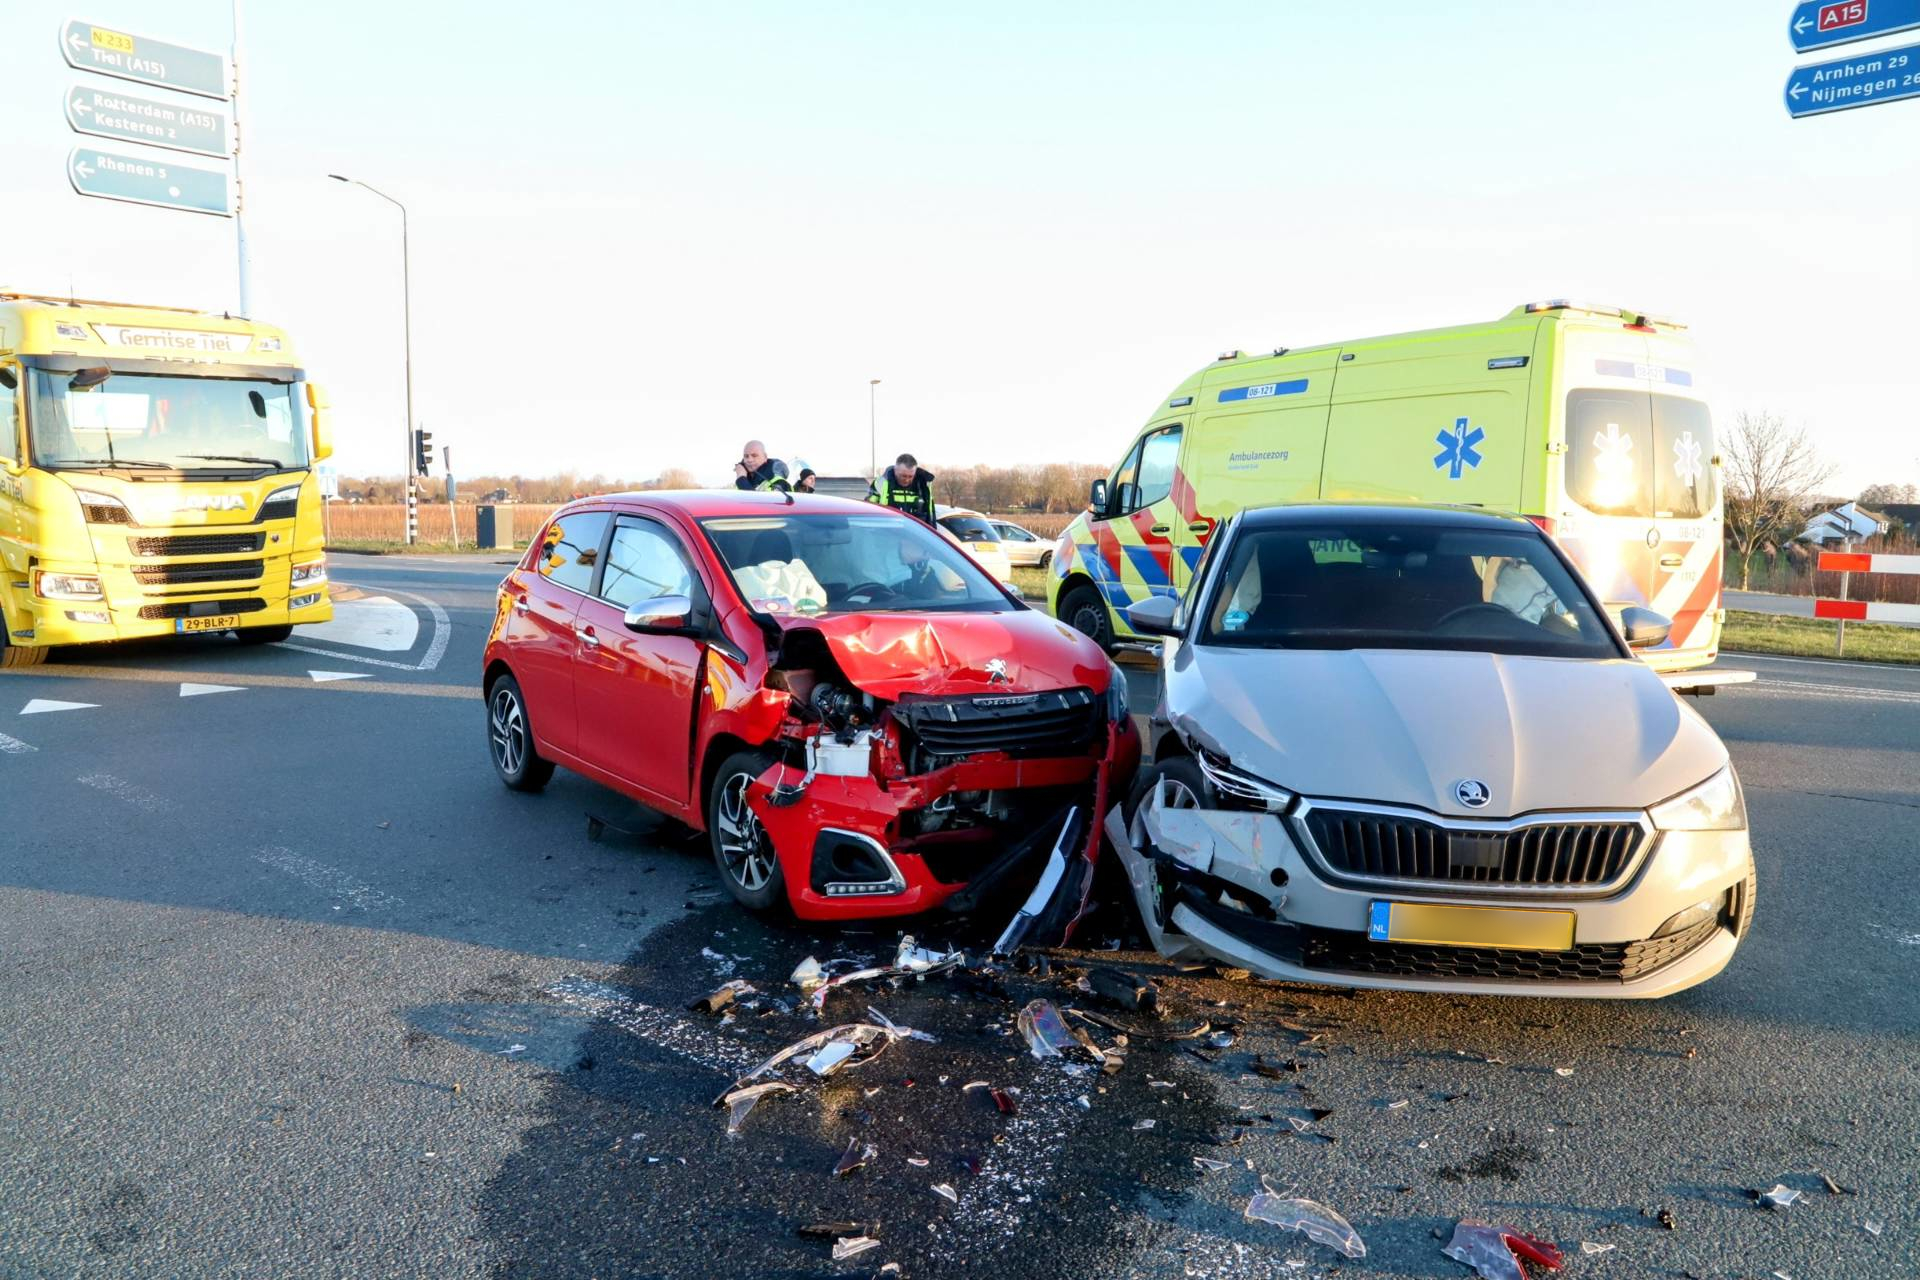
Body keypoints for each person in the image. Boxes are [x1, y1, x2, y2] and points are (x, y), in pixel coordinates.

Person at [866, 452, 936, 525]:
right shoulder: (880, 483)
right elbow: (869, 511)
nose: (907, 480)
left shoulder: (924, 485)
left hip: (916, 534)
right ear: (895, 470)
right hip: (888, 533)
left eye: (910, 476)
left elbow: (930, 514)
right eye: (903, 476)